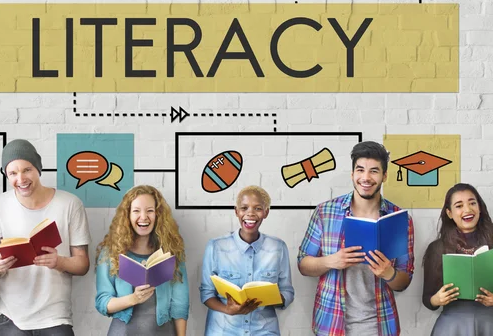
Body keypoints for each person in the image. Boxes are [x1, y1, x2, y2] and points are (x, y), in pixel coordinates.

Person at [298, 141, 415, 336]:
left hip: (379, 327)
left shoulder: (400, 220)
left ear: (384, 176)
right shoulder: (325, 212)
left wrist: (388, 273)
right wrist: (331, 261)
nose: (366, 177)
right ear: (352, 174)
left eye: (374, 171)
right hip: (331, 324)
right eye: (360, 170)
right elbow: (303, 264)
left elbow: (404, 281)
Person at [0, 139, 91, 335]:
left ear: (38, 168)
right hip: (10, 317)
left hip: (55, 317)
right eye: (13, 173)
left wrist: (60, 262)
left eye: (27, 170)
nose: (20, 178)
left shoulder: (70, 204)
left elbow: (83, 265)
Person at [199, 185, 295, 336]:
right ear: (236, 211)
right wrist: (227, 309)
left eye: (257, 208)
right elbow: (206, 294)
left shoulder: (278, 248)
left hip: (264, 331)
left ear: (266, 212)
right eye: (244, 208)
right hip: (223, 330)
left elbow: (287, 291)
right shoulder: (216, 247)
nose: (250, 213)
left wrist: (272, 298)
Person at [95, 185, 189, 335]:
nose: (144, 217)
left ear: (158, 215)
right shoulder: (110, 253)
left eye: (150, 211)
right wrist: (134, 298)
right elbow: (102, 302)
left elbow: (180, 305)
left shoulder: (172, 252)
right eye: (136, 211)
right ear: (127, 215)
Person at [422, 183, 493, 335]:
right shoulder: (437, 248)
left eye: (472, 203)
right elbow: (427, 299)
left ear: (479, 207)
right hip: (452, 325)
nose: (467, 210)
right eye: (459, 206)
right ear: (449, 213)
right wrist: (437, 299)